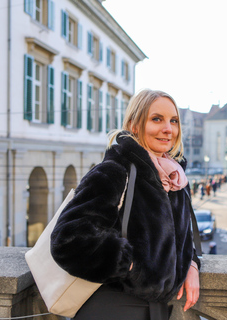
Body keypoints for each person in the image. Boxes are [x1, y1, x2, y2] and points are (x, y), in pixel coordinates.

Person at [50, 89, 200, 320]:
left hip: (157, 309)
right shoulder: (115, 170)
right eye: (156, 119)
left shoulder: (175, 178)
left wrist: (191, 265)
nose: (168, 129)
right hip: (113, 305)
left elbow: (180, 237)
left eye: (174, 121)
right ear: (135, 125)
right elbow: (67, 240)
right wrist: (129, 264)